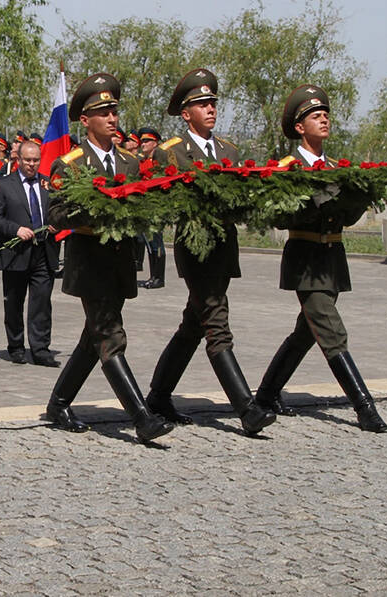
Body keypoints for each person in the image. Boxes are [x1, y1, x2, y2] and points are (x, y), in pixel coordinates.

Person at [43, 72, 173, 443]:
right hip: (89, 264)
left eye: (114, 111)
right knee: (111, 336)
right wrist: (95, 211)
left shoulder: (130, 163)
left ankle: (59, 403)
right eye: (103, 112)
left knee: (94, 337)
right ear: (85, 121)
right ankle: (142, 417)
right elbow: (55, 215)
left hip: (119, 263)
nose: (112, 118)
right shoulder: (70, 164)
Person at [146, 68, 275, 435]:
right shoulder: (170, 153)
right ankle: (246, 408)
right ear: (186, 114)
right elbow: (160, 200)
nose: (211, 109)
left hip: (223, 248)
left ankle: (158, 395)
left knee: (194, 325)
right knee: (217, 324)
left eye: (213, 103)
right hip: (194, 246)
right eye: (202, 104)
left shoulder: (229, 151)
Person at [254, 84, 387, 432]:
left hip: (333, 255)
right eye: (316, 116)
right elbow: (277, 216)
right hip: (306, 257)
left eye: (326, 114)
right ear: (300, 127)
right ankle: (364, 406)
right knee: (330, 329)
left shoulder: (335, 166)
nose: (324, 119)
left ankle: (266, 394)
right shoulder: (288, 167)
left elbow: (347, 218)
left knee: (307, 331)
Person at [0, 140, 60, 366]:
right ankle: (16, 346)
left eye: (35, 160)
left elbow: (59, 210)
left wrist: (57, 222)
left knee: (41, 303)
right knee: (14, 302)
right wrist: (15, 229)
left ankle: (40, 349)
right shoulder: (4, 184)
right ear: (18, 159)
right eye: (27, 160)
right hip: (16, 252)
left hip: (44, 251)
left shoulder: (48, 184)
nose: (31, 164)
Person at [134, 127, 166, 289]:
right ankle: (153, 276)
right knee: (149, 243)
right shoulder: (141, 161)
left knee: (156, 243)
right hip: (144, 206)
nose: (143, 144)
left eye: (147, 141)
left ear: (155, 143)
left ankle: (159, 278)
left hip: (156, 207)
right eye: (142, 141)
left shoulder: (158, 161)